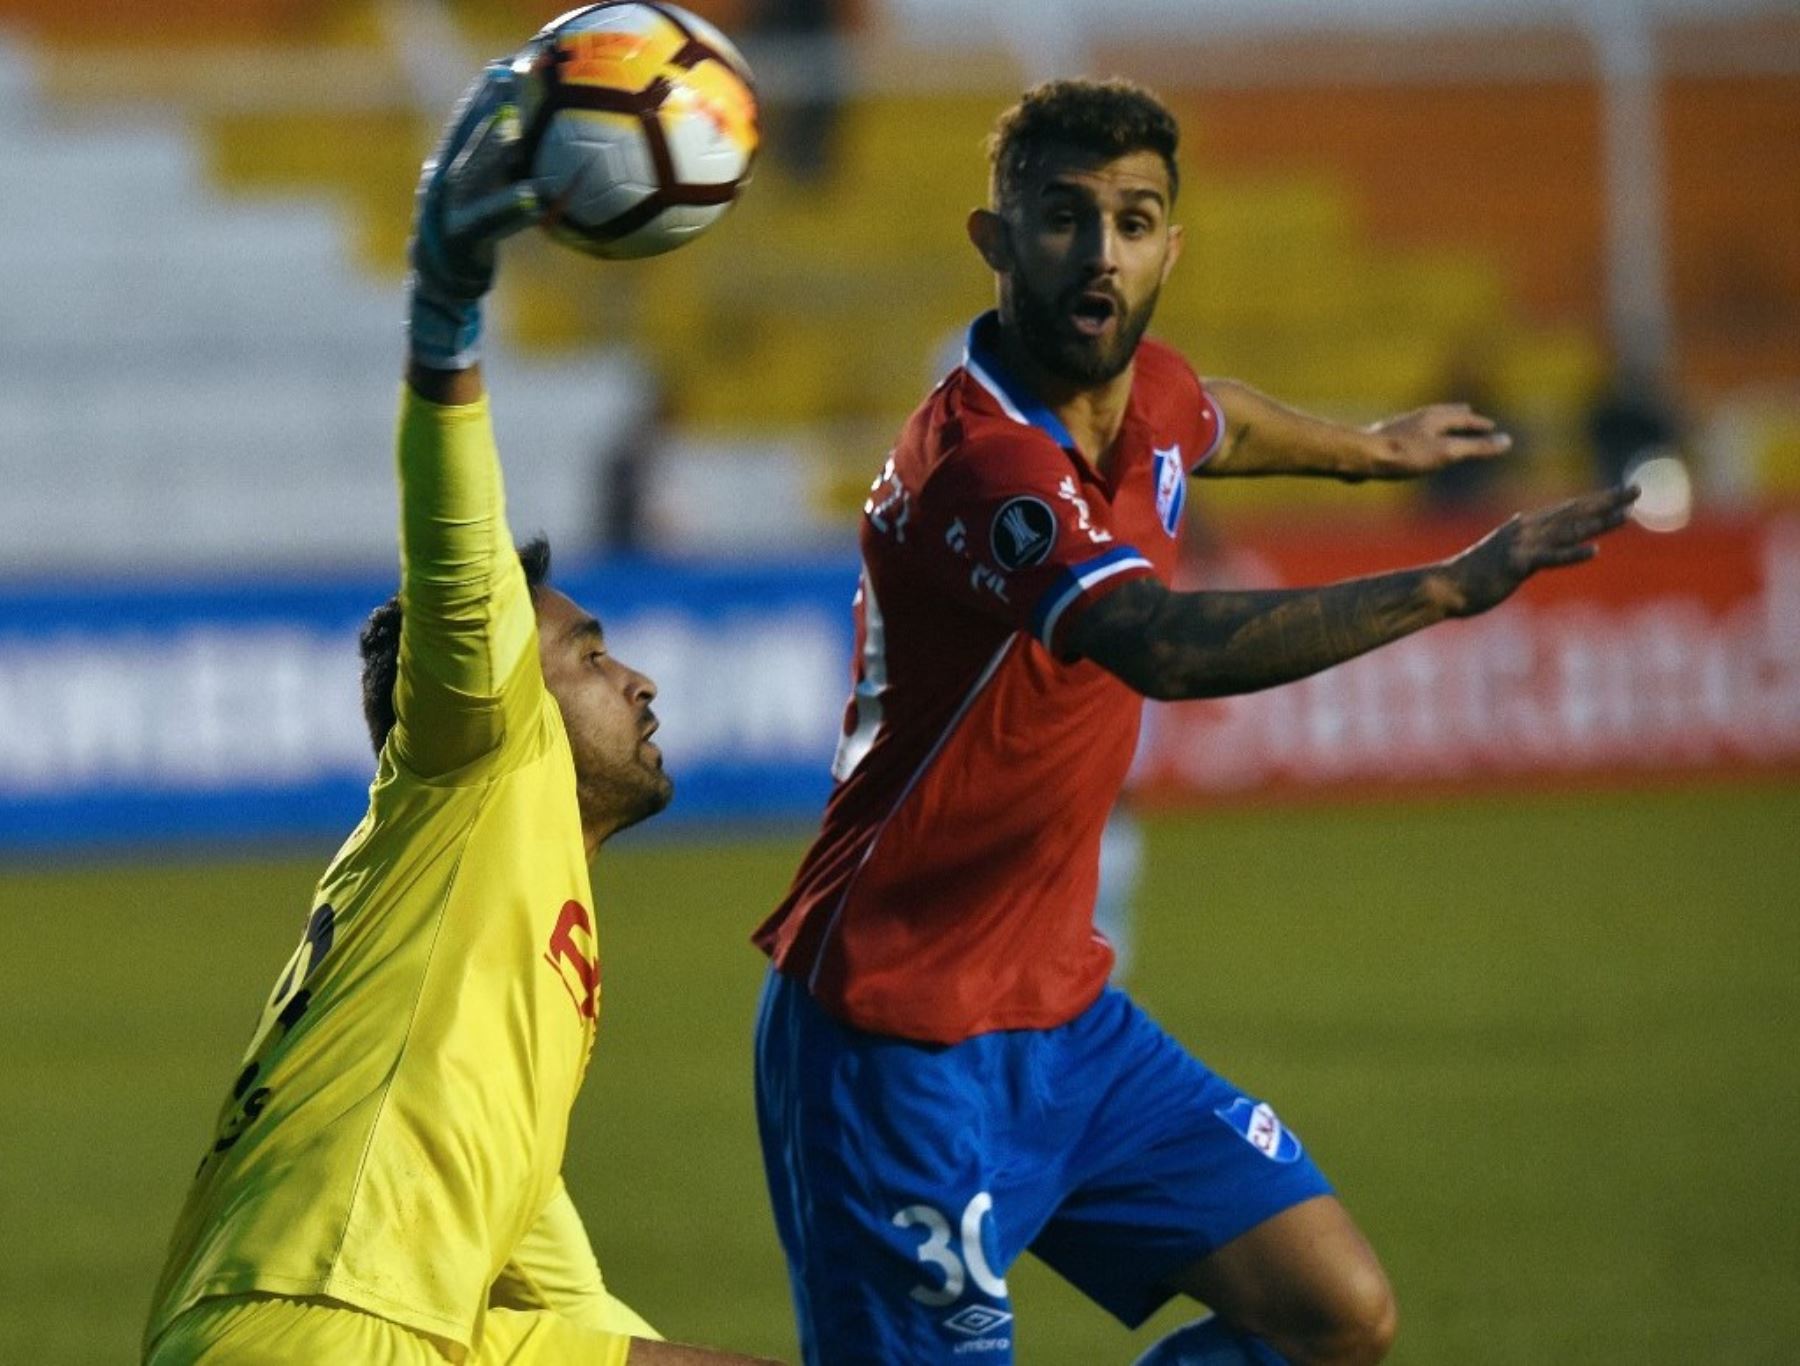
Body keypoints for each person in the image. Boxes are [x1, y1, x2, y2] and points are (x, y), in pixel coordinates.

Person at [751, 78, 1636, 1366]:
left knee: (1333, 1317)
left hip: (1063, 1016)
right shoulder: (984, 464)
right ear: (995, 243)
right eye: (1062, 217)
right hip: (896, 1035)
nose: (1099, 250)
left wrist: (1367, 452)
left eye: (1134, 217)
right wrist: (1446, 583)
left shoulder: (1145, 391)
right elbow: (1156, 647)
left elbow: (1209, 413)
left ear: (1172, 245)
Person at [143, 65, 777, 1366]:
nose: (639, 677)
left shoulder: (504, 984)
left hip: (359, 1327)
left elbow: (577, 1326)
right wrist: (445, 311)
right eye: (592, 653)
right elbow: (456, 555)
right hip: (318, 1322)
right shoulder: (482, 765)